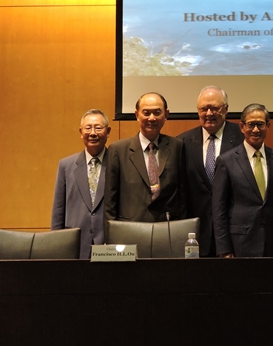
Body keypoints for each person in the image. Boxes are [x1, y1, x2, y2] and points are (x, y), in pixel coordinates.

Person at [103, 93, 187, 233]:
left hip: (168, 230)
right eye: (146, 113)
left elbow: (182, 195)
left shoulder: (177, 147)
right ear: (137, 115)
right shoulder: (118, 150)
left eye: (157, 112)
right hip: (129, 230)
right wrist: (110, 235)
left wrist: (182, 231)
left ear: (166, 115)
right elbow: (110, 200)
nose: (152, 118)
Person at [212, 103, 273, 257]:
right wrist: (224, 249)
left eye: (260, 124)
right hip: (240, 244)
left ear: (268, 126)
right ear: (242, 127)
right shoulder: (226, 161)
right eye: (251, 124)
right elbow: (219, 209)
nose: (256, 130)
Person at [178, 85, 244, 256]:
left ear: (226, 109)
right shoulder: (182, 142)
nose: (209, 113)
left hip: (233, 232)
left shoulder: (242, 138)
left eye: (214, 108)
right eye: (204, 108)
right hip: (196, 233)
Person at [51, 109, 111, 259]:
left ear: (108, 132)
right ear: (81, 132)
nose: (93, 133)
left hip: (108, 245)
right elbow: (58, 209)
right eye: (88, 128)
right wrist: (56, 244)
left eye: (98, 128)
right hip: (75, 245)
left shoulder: (117, 163)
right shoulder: (66, 165)